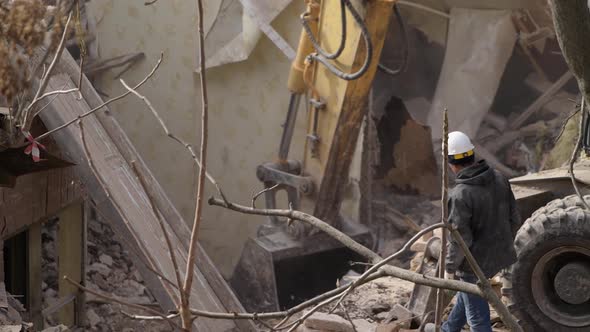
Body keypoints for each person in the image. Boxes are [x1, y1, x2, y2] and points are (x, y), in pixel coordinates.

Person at [424, 131, 521, 332]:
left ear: (451, 164)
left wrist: (450, 268)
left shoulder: (460, 195)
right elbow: (514, 218)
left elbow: (460, 239)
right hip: (500, 255)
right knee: (468, 296)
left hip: (474, 266)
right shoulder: (499, 177)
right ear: (472, 155)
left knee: (478, 321)